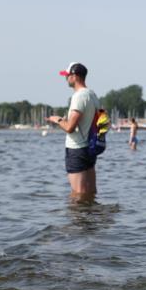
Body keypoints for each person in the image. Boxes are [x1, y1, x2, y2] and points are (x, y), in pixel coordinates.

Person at [47, 62, 100, 200]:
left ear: (75, 76)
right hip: (90, 147)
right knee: (90, 192)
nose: (66, 78)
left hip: (77, 149)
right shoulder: (92, 95)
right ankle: (92, 219)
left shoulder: (79, 97)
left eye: (67, 75)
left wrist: (57, 120)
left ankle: (77, 221)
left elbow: (70, 128)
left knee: (78, 195)